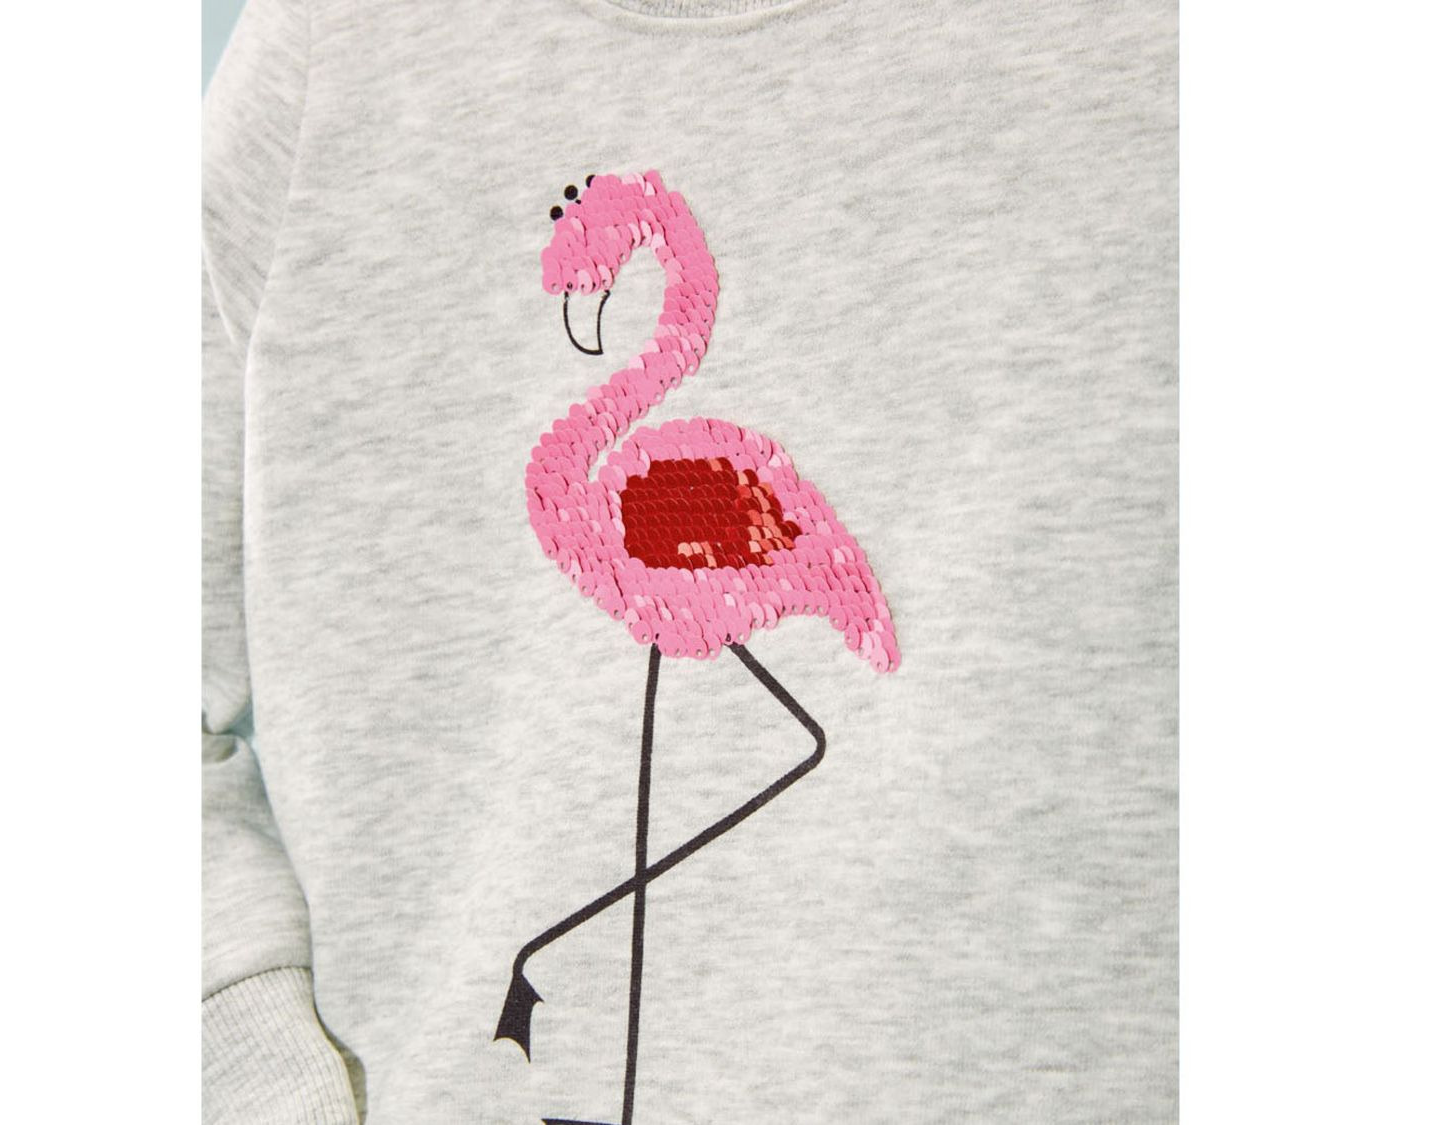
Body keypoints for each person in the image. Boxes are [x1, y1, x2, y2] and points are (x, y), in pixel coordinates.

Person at [202, 1, 1178, 1121]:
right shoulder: (333, 56)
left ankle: (551, 966)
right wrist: (261, 1078)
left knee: (751, 750)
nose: (588, 308)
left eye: (598, 280)